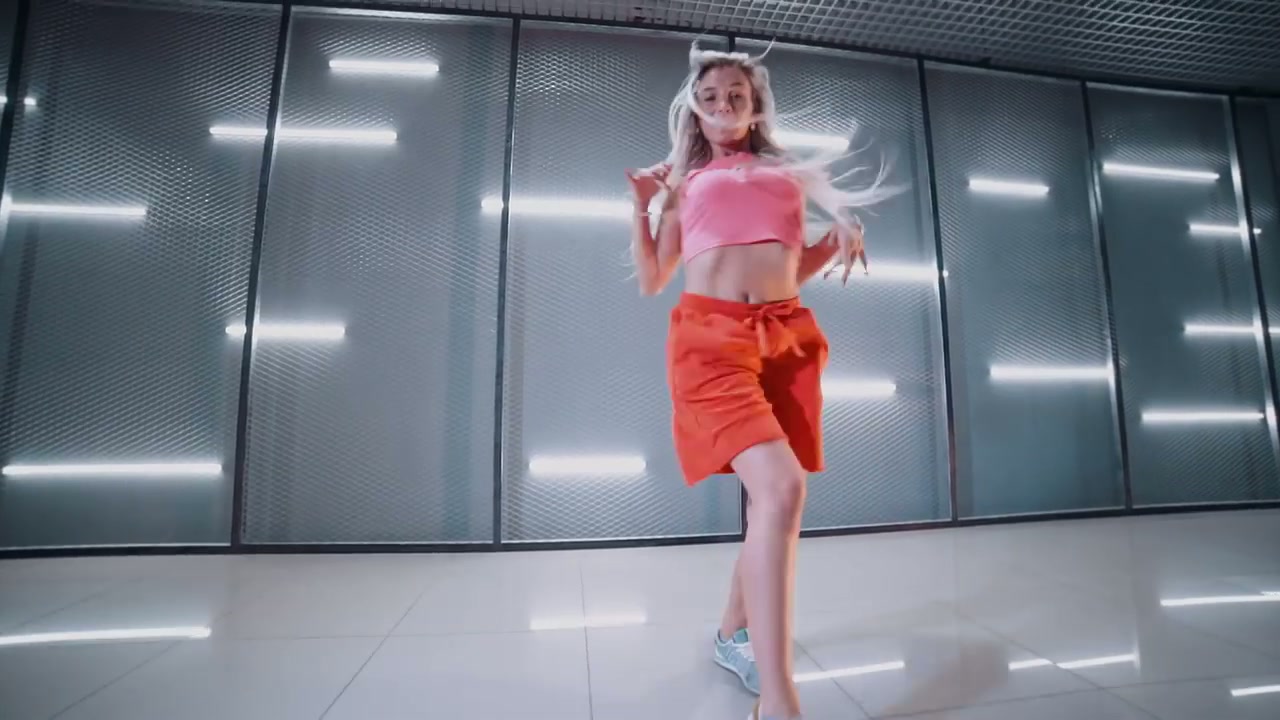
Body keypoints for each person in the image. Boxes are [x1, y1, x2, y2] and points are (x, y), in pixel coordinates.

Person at [625, 42, 887, 720]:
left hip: (785, 337)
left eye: (735, 94)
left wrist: (836, 239)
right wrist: (644, 207)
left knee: (767, 504)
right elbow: (654, 278)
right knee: (781, 490)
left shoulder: (786, 176)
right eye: (710, 96)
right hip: (710, 342)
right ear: (695, 109)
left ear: (755, 104)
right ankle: (778, 700)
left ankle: (730, 636)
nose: (723, 104)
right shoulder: (685, 181)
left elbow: (787, 271)